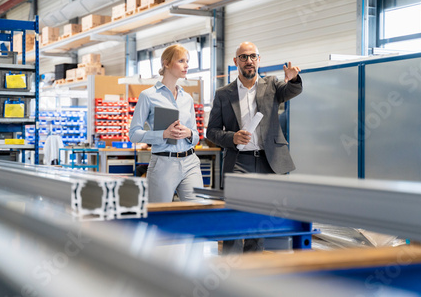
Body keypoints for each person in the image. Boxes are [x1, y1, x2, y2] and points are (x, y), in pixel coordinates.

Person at [206, 41, 303, 253]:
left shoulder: (272, 85)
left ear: (259, 59)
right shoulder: (224, 94)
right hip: (240, 161)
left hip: (269, 161)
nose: (249, 61)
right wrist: (232, 137)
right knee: (235, 214)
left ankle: (252, 266)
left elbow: (291, 90)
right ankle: (230, 269)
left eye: (252, 56)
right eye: (243, 57)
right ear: (236, 61)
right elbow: (211, 131)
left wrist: (293, 78)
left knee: (259, 217)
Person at [129, 44, 202, 203]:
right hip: (163, 163)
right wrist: (163, 134)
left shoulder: (187, 98)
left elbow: (196, 136)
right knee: (159, 215)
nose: (186, 65)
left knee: (197, 212)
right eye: (181, 60)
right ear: (166, 63)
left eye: (187, 61)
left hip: (190, 162)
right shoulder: (148, 96)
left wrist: (188, 133)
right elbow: (134, 134)